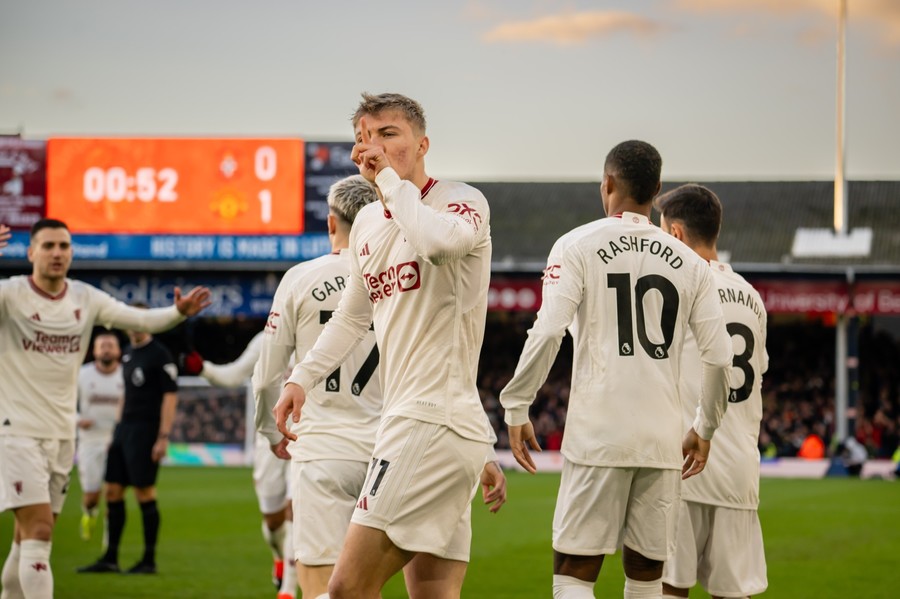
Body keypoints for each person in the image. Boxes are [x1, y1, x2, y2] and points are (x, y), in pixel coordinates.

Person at [273, 93, 507, 599]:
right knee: (431, 595)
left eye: (388, 134)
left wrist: (389, 184)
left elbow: (438, 245)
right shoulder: (368, 227)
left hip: (430, 421)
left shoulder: (460, 201)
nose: (372, 147)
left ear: (423, 144)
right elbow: (353, 316)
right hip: (423, 423)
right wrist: (300, 378)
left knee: (346, 589)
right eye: (364, 138)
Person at [498, 141, 733, 599]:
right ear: (657, 189)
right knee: (646, 571)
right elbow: (720, 357)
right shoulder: (692, 264)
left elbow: (548, 331)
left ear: (606, 183)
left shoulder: (576, 244)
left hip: (598, 433)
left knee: (573, 569)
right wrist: (704, 427)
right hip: (661, 439)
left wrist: (516, 403)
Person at [0, 219, 210, 598]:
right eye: (47, 246)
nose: (57, 253)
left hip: (62, 436)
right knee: (41, 532)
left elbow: (141, 319)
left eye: (64, 246)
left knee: (25, 537)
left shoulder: (84, 298)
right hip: (16, 433)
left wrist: (177, 312)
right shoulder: (10, 295)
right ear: (30, 252)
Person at [254, 174, 382, 599]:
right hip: (387, 450)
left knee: (320, 585)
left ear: (332, 223)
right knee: (365, 587)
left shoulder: (300, 278)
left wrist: (271, 432)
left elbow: (268, 373)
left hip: (323, 448)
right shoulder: (400, 281)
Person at [654, 184, 768, 599]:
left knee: (668, 589)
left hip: (684, 461)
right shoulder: (753, 298)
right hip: (738, 467)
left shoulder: (680, 285)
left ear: (678, 234)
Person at [182, 332, 298, 597]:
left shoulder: (320, 332)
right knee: (273, 521)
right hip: (269, 440)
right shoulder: (266, 340)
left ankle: (289, 589)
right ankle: (278, 555)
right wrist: (203, 368)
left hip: (308, 436)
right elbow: (233, 375)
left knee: (296, 511)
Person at [76, 310, 181, 575]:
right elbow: (125, 394)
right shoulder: (126, 354)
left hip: (146, 431)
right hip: (123, 431)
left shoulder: (160, 354)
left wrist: (163, 436)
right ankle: (110, 558)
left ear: (148, 323)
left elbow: (170, 397)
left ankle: (149, 560)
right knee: (112, 491)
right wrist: (117, 429)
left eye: (140, 322)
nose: (135, 327)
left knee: (144, 493)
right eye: (131, 322)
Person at [76, 330, 125, 542]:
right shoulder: (81, 374)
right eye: (101, 346)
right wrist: (77, 419)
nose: (106, 349)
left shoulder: (126, 374)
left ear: (118, 351)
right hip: (90, 441)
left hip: (117, 441)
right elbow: (64, 403)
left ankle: (109, 538)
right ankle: (89, 513)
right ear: (94, 351)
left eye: (110, 345)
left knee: (114, 493)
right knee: (92, 497)